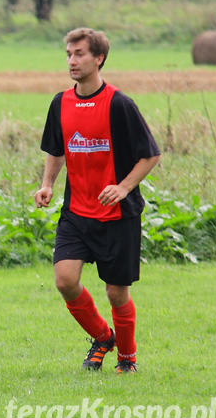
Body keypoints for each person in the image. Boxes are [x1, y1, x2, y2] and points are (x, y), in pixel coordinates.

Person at [34, 28, 161, 374]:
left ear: (99, 58)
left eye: (79, 54)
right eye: (68, 54)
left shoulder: (120, 104)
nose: (72, 61)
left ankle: (127, 358)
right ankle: (103, 338)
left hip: (118, 216)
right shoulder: (61, 102)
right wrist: (47, 184)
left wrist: (123, 187)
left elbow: (150, 155)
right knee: (64, 280)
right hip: (76, 212)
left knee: (116, 293)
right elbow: (56, 149)